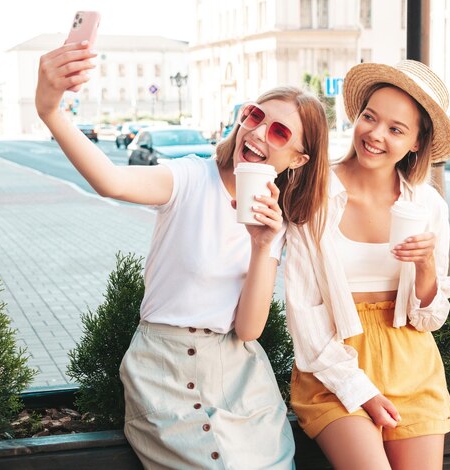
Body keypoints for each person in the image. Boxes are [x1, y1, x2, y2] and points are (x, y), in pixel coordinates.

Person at [35, 40, 329, 469]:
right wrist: (51, 111)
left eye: (279, 132)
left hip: (238, 374)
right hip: (162, 369)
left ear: (299, 158)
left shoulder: (274, 222)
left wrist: (264, 244)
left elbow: (248, 331)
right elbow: (111, 180)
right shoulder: (191, 177)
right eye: (255, 115)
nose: (259, 132)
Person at [285, 60, 450, 469]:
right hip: (333, 364)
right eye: (370, 117)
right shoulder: (314, 195)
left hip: (412, 362)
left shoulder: (427, 205)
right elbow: (305, 320)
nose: (375, 134)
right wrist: (360, 390)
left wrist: (425, 270)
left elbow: (430, 320)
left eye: (396, 129)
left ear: (417, 143)